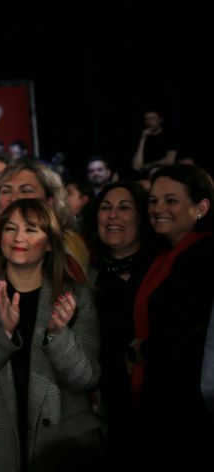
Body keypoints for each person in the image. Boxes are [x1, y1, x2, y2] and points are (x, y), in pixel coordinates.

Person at [0, 199, 103, 472]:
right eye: (10, 229)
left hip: (64, 446)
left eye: (31, 229)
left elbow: (86, 379)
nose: (18, 237)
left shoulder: (76, 297)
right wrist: (5, 333)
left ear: (49, 243)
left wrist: (58, 335)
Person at [131, 164, 214, 463]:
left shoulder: (204, 257)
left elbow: (193, 334)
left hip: (189, 407)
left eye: (171, 200)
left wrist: (142, 350)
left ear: (201, 207)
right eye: (153, 201)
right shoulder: (165, 254)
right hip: (164, 397)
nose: (158, 208)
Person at [88, 181, 158, 467]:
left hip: (166, 402)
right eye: (106, 208)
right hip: (111, 409)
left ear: (142, 217)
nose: (113, 215)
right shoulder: (87, 277)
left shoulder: (162, 268)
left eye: (124, 207)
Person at [0, 159, 89, 285]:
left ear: (50, 200)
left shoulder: (65, 243)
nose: (14, 199)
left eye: (26, 191)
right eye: (6, 191)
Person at [131, 109, 176, 175]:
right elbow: (136, 167)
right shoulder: (141, 138)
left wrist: (148, 166)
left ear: (160, 120)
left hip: (164, 172)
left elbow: (169, 161)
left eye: (152, 119)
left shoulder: (168, 136)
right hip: (144, 176)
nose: (149, 122)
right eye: (147, 119)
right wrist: (142, 140)